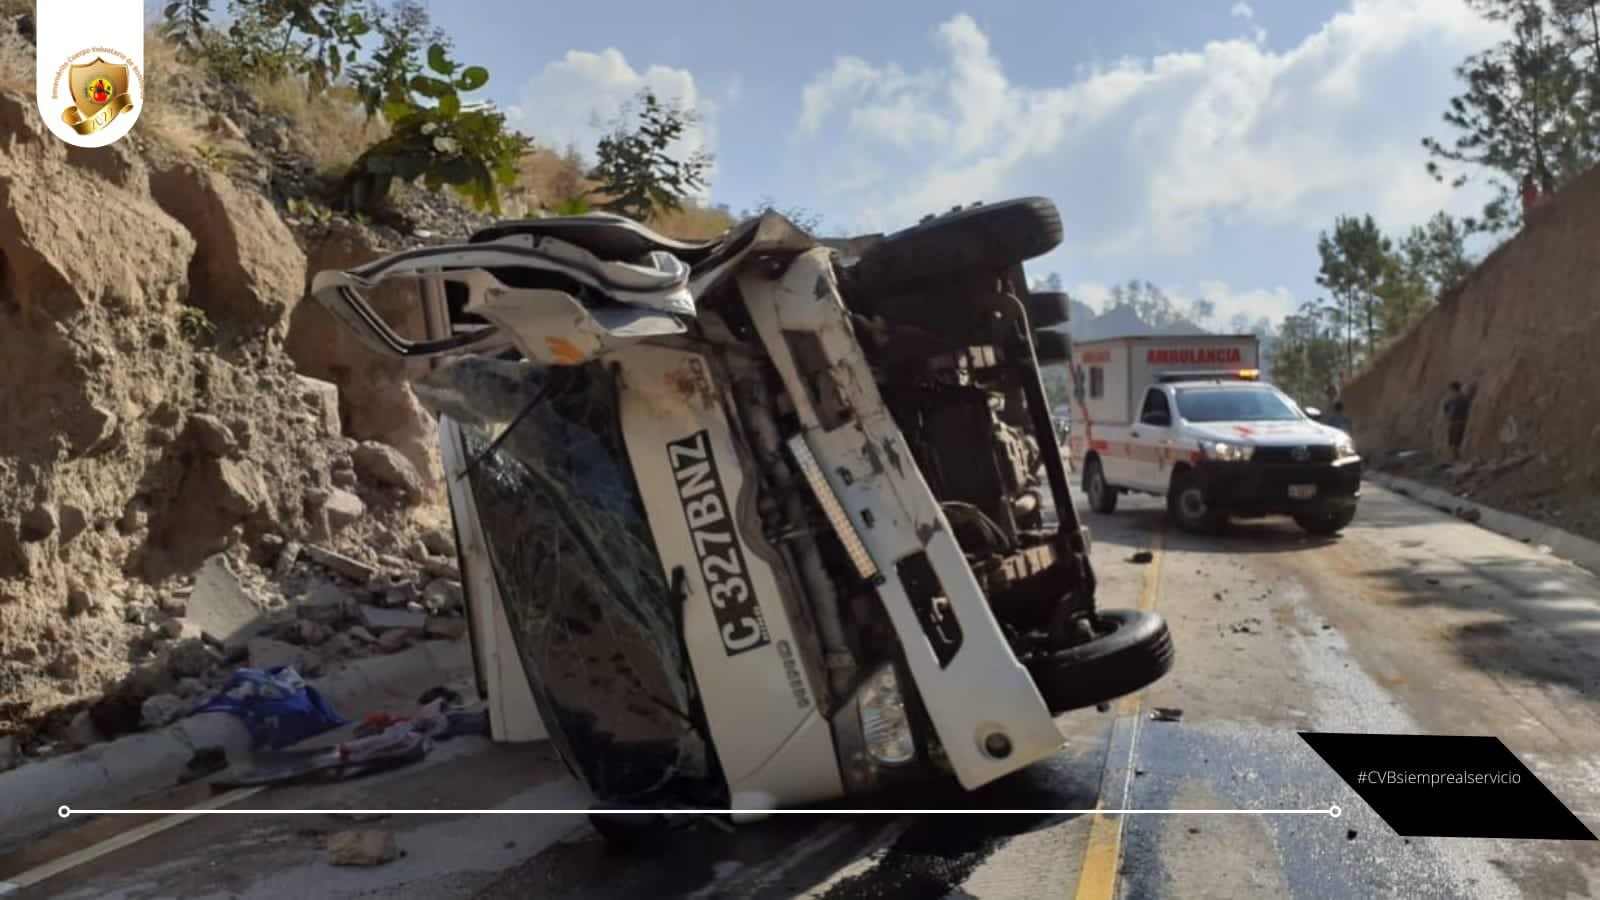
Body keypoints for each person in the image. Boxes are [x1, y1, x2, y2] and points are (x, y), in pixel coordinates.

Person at [1441, 381, 1473, 460]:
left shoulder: (1452, 398)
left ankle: (1454, 459)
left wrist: (1449, 417)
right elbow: (1468, 408)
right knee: (1457, 442)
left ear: (1452, 389)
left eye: (1450, 389)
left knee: (1452, 442)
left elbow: (1447, 409)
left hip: (1454, 421)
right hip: (1462, 421)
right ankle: (1456, 458)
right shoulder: (1465, 398)